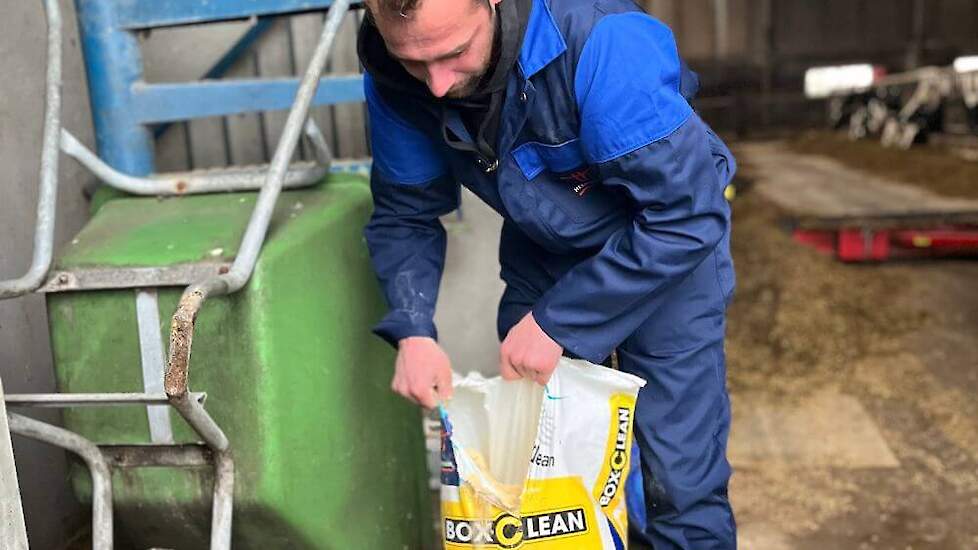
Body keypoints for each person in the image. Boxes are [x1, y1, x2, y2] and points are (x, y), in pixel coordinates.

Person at [357, 0, 737, 546]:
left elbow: (686, 215)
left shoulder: (605, 44)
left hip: (665, 252)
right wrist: (412, 328)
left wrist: (560, 322)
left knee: (676, 481)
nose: (436, 86)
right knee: (540, 469)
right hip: (547, 248)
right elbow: (405, 211)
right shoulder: (395, 73)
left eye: (455, 53)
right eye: (416, 62)